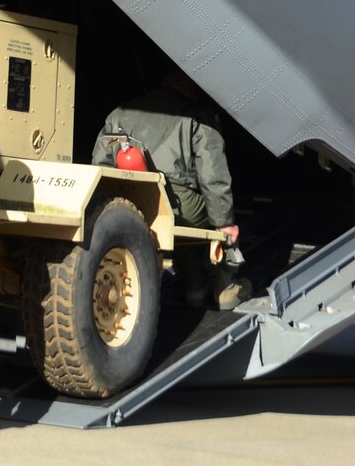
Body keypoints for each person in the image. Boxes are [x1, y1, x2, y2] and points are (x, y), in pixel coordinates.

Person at [91, 72, 249, 308]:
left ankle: (196, 285)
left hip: (128, 200)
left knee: (182, 218)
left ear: (164, 83)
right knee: (200, 216)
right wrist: (225, 222)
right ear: (194, 90)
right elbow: (213, 177)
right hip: (176, 203)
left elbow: (100, 166)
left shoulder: (119, 114)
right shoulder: (199, 117)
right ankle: (224, 286)